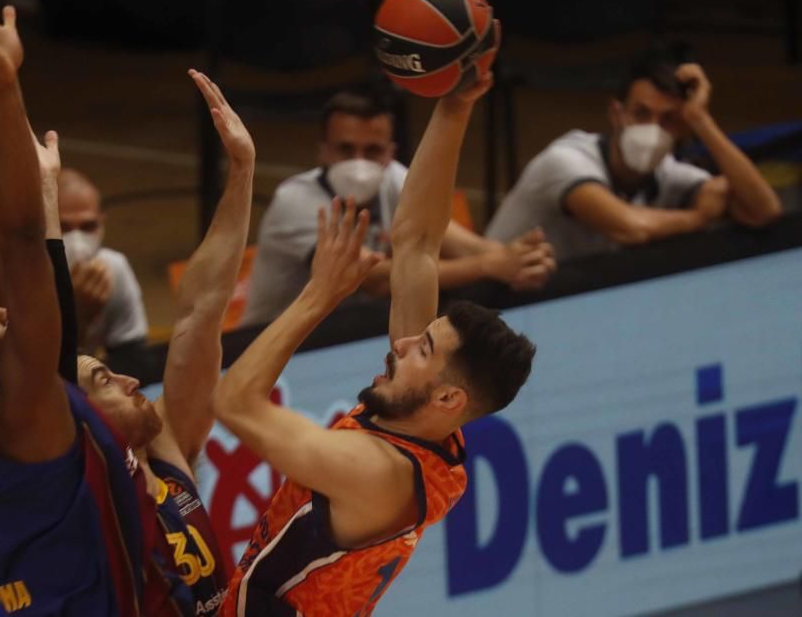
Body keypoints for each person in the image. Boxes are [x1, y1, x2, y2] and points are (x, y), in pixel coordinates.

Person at [0, 0, 254, 616]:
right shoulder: (30, 414)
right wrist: (5, 85)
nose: (130, 378)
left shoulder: (25, 411)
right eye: (102, 377)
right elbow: (22, 242)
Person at [213, 75, 537, 615]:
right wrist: (455, 106)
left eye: (424, 350)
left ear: (448, 398)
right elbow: (417, 244)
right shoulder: (433, 434)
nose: (404, 342)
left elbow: (232, 402)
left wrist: (317, 296)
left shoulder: (375, 472)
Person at [241, 87, 555, 326]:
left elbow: (458, 242)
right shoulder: (295, 201)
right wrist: (491, 265)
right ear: (323, 151)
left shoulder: (394, 178)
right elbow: (374, 278)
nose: (359, 163)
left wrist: (519, 259)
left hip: (349, 330)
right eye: (346, 149)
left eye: (372, 150)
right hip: (275, 336)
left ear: (390, 152)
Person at [485, 50, 783, 261]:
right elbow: (630, 228)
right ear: (617, 113)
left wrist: (701, 121)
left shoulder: (668, 173)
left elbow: (764, 210)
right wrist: (698, 217)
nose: (653, 129)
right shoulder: (566, 160)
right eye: (641, 113)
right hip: (493, 302)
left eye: (668, 119)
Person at [57, 167, 151, 365]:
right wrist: (77, 316)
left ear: (102, 223)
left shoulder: (114, 269)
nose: (77, 241)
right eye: (62, 227)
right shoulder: (19, 277)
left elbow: (132, 360)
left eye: (88, 227)